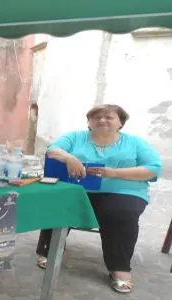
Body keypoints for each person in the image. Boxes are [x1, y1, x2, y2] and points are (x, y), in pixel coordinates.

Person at [35, 104, 162, 294]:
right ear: (89, 122)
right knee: (57, 202)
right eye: (96, 117)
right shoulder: (75, 137)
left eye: (109, 117)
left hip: (123, 191)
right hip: (77, 189)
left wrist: (114, 173)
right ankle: (49, 250)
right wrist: (69, 158)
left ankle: (119, 267)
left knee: (121, 212)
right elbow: (52, 151)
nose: (101, 120)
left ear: (121, 122)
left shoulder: (135, 143)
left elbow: (153, 168)